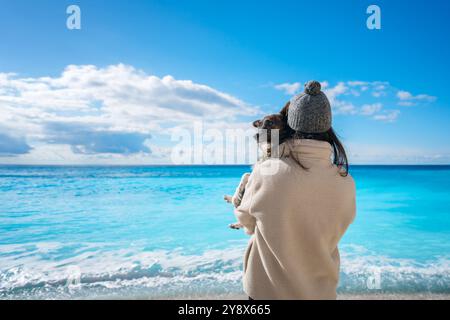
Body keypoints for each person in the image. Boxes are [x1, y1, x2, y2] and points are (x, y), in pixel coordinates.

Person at [234, 80, 356, 300]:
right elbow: (337, 228)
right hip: (320, 292)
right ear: (328, 128)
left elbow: (247, 221)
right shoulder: (346, 182)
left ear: (291, 125)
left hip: (266, 290)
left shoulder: (267, 170)